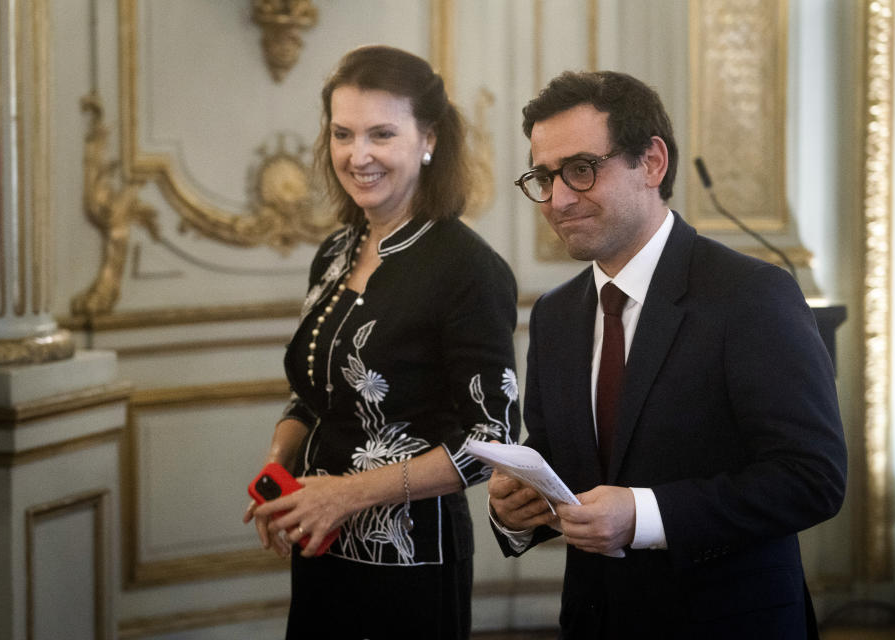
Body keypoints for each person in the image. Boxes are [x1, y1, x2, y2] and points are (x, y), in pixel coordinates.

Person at [488, 70, 847, 638]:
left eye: (580, 170)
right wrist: (517, 510)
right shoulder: (555, 315)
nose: (557, 199)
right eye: (543, 177)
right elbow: (571, 461)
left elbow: (811, 479)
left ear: (651, 163)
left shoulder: (751, 295)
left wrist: (644, 516)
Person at [243, 45, 519, 639]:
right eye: (343, 134)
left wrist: (345, 494)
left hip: (412, 563)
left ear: (429, 139)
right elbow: (313, 396)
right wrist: (277, 477)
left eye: (381, 134)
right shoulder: (334, 252)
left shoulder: (468, 269)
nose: (357, 155)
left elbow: (491, 441)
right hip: (318, 544)